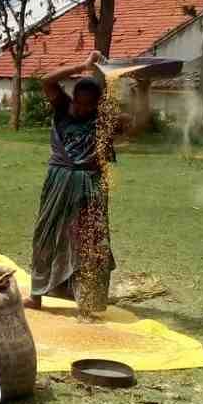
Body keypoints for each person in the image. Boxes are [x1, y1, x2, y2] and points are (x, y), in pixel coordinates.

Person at [28, 50, 130, 318]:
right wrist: (83, 66)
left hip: (91, 184)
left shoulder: (102, 120)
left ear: (97, 104)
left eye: (89, 105)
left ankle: (87, 303)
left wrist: (145, 88)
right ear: (73, 97)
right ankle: (36, 296)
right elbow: (47, 81)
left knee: (90, 241)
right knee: (46, 235)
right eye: (79, 102)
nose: (82, 108)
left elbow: (137, 123)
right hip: (59, 180)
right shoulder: (62, 108)